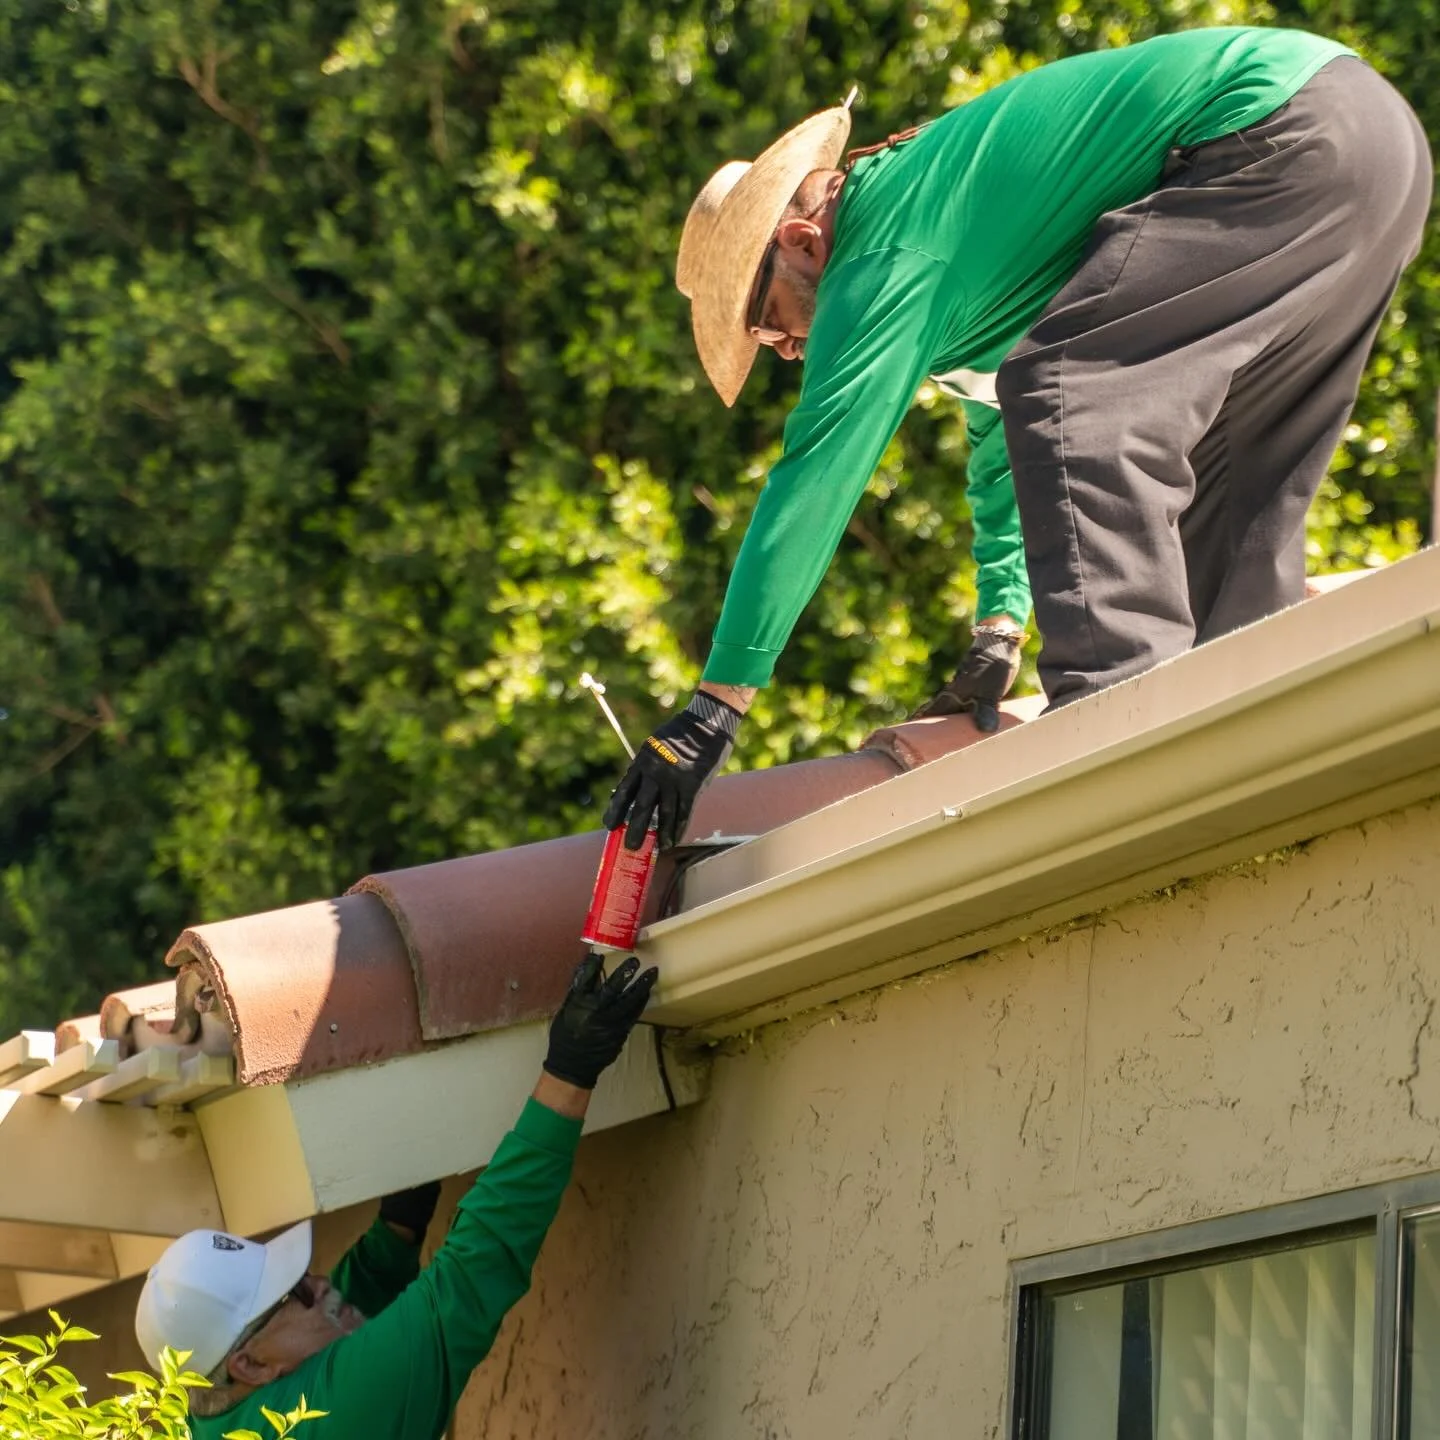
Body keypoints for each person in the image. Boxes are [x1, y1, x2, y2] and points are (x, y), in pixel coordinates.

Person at [603, 26, 1432, 854]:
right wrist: (1001, 628)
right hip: (1373, 142)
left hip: (1272, 135)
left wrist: (718, 704)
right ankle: (1256, 737)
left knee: (1071, 390)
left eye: (767, 321)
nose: (784, 350)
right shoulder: (947, 226)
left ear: (801, 242)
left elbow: (816, 474)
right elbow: (1004, 425)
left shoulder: (880, 252)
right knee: (1229, 476)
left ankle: (1125, 735)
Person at [134, 952, 656, 1438]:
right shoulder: (329, 1413)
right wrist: (569, 1073)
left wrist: (397, 1230)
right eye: (297, 1292)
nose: (321, 1282)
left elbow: (342, 1311)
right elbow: (469, 1279)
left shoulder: (221, 1409)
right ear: (249, 1363)